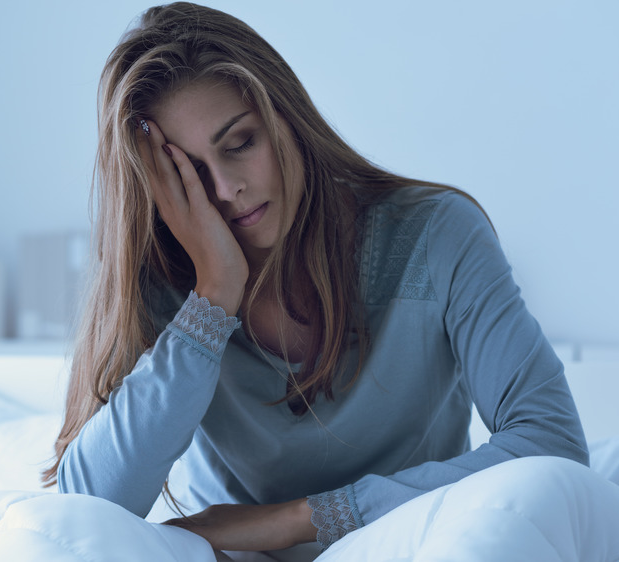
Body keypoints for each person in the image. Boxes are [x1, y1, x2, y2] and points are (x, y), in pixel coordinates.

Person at [42, 1, 588, 554]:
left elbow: (553, 444)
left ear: (287, 117)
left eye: (241, 144)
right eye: (189, 176)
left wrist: (304, 518)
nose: (226, 189)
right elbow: (87, 509)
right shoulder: (165, 286)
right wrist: (212, 299)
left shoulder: (436, 235)